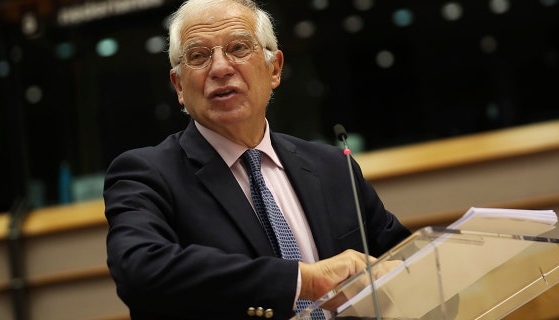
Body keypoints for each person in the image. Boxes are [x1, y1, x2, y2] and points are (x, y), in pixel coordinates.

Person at [103, 0, 412, 319]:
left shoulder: (332, 166)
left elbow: (407, 259)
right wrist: (302, 281)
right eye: (198, 56)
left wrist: (403, 275)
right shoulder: (147, 174)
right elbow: (140, 270)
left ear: (275, 68)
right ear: (179, 86)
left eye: (238, 48)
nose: (221, 68)